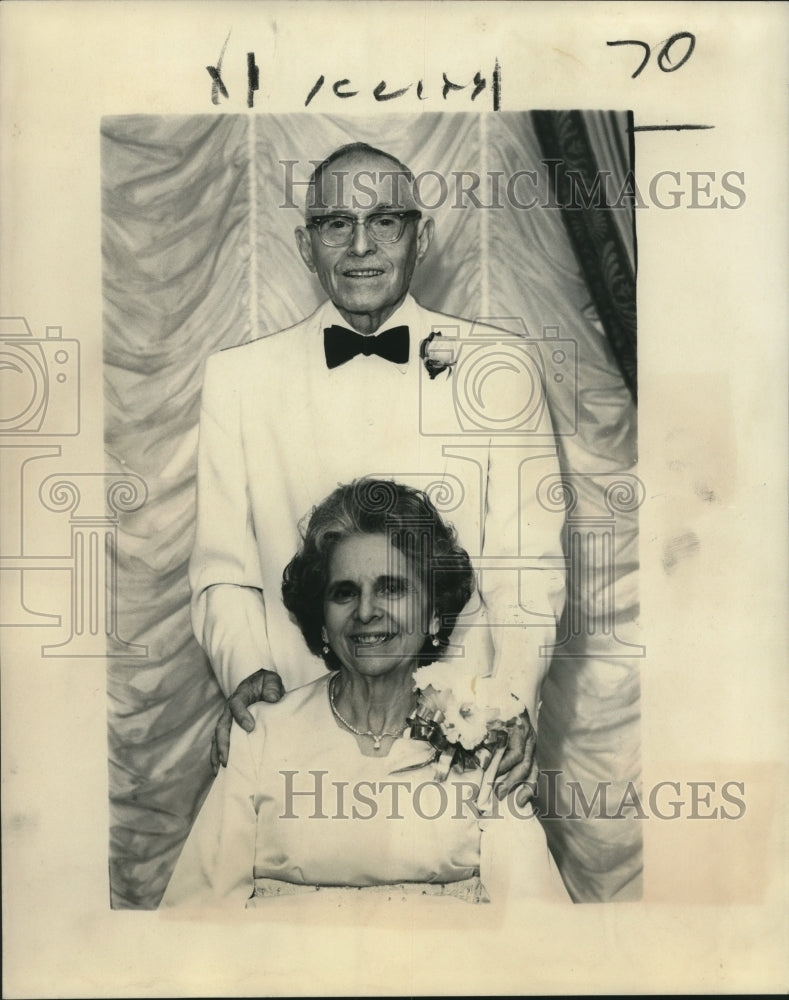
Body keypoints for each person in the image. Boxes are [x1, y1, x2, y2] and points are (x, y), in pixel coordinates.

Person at [190, 141, 566, 791]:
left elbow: (527, 568)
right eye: (336, 224)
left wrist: (507, 701)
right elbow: (223, 572)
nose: (360, 246)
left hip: (463, 740)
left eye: (385, 221)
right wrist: (250, 675)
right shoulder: (237, 380)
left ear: (423, 238)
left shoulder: (500, 370)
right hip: (294, 730)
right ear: (305, 246)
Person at [163, 481, 565, 907]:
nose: (367, 611)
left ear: (433, 614)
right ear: (322, 621)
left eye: (391, 588)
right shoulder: (259, 734)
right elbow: (199, 918)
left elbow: (534, 920)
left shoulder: (485, 740)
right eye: (345, 592)